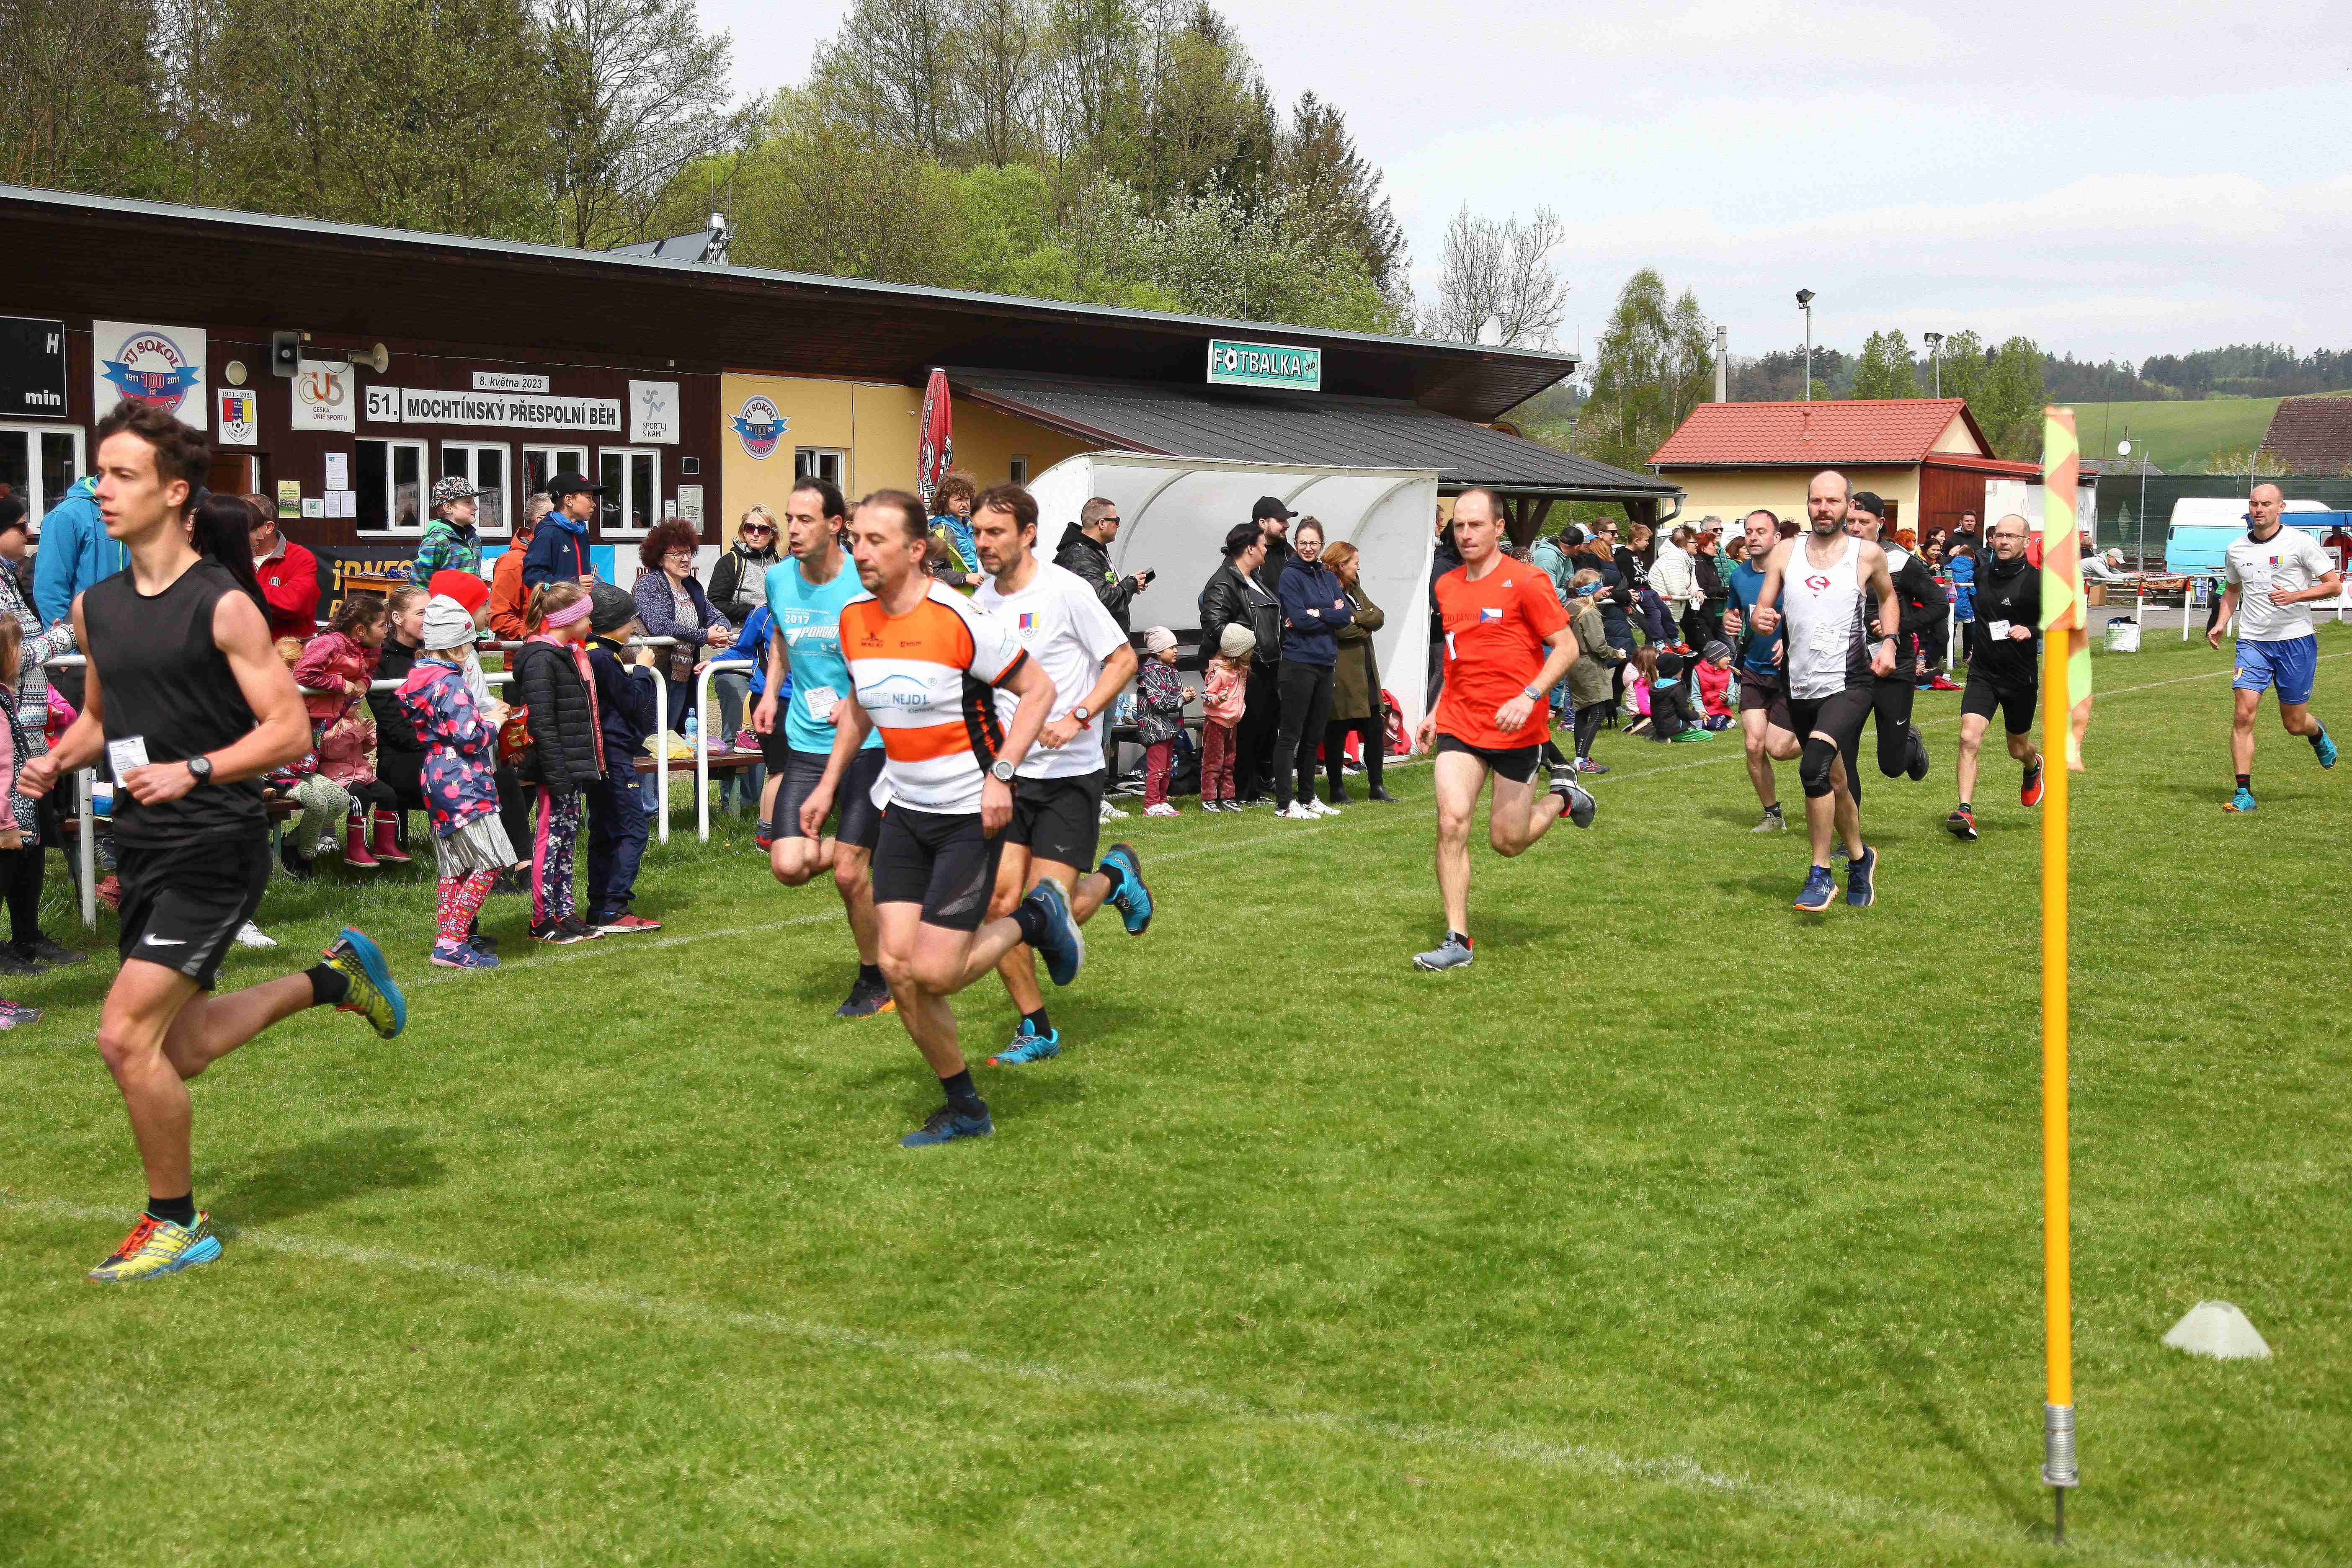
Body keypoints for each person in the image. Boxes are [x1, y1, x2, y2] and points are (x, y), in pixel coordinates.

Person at [21, 401, 404, 1284]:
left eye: (121, 475)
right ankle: (334, 978)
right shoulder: (95, 607)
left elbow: (288, 732)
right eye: (98, 474)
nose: (101, 490)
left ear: (174, 493)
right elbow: (104, 719)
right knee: (181, 1048)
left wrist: (195, 769)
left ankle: (175, 1221)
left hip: (215, 842)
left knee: (124, 1037)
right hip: (143, 842)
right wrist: (54, 759)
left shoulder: (223, 605)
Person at [794, 489, 1083, 1146]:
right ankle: (966, 1108)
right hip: (904, 812)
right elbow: (860, 707)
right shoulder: (854, 619)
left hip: (969, 817)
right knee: (898, 970)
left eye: (876, 541)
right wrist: (829, 786)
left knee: (938, 973)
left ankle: (1038, 917)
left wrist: (1002, 774)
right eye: (856, 540)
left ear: (917, 549)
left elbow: (1038, 690)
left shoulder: (958, 617)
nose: (860, 552)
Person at [969, 483, 1153, 1063]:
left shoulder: (1067, 590)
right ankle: (1037, 1028)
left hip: (1070, 774)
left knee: (1055, 910)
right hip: (1010, 775)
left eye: (995, 532)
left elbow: (1122, 660)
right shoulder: (981, 602)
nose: (983, 543)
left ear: (1028, 534)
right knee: (999, 906)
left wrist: (1078, 716)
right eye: (977, 532)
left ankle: (1114, 879)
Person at [1411, 487, 1594, 971]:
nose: (1466, 534)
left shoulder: (1528, 581)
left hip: (1517, 729)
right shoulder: (1447, 586)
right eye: (1459, 526)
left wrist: (1529, 695)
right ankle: (1457, 940)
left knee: (1507, 842)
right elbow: (1456, 659)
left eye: (1476, 525)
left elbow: (1567, 648)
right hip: (1460, 723)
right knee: (1451, 821)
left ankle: (1563, 797)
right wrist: (1436, 711)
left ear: (1498, 528)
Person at [754, 477, 893, 1019]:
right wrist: (771, 693)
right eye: (789, 518)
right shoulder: (778, 579)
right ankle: (885, 842)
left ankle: (875, 980)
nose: (791, 529)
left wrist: (857, 699)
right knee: (788, 865)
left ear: (836, 526)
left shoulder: (865, 581)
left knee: (849, 875)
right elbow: (781, 639)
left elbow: (889, 652)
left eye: (804, 520)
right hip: (807, 739)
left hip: (869, 742)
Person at [1749, 470, 1901, 912]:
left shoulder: (1867, 554)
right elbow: (1764, 607)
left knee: (1813, 767)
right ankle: (1860, 857)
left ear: (1848, 506)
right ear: (1808, 504)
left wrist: (1889, 642)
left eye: (1833, 501)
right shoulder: (1786, 551)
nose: (1823, 509)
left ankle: (1820, 873)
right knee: (1835, 779)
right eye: (1816, 500)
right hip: (1799, 684)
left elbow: (1889, 598)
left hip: (1850, 682)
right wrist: (1761, 619)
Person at [395, 595, 518, 970]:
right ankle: (451, 942)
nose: (471, 651)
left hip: (436, 774)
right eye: (468, 644)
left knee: (454, 866)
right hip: (463, 779)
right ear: (456, 647)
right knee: (492, 860)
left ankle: (448, 939)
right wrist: (495, 720)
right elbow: (470, 738)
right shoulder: (452, 683)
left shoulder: (421, 678)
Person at [2213, 482, 2342, 812]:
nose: (2259, 510)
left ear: (2281, 508)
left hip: (2295, 641)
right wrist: (2221, 622)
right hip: (2253, 642)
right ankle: (2244, 792)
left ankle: (2316, 733)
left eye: (2267, 504)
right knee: (2243, 714)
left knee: (2294, 724)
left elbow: (2334, 586)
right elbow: (2232, 589)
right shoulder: (2236, 549)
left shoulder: (2300, 543)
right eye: (2254, 504)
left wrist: (2296, 595)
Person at [0, 490, 81, 974]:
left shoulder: (9, 577)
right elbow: (9, 656)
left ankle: (27, 937)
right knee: (8, 841)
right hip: (8, 739)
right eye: (20, 525)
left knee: (29, 842)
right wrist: (66, 635)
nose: (29, 534)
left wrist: (47, 637)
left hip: (27, 732)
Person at [511, 582, 606, 943]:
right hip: (556, 769)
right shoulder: (541, 659)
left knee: (566, 842)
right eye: (586, 616)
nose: (590, 624)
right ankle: (541, 919)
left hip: (570, 767)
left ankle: (564, 911)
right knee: (549, 843)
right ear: (568, 619)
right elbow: (542, 723)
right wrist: (556, 772)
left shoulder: (566, 654)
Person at [1946, 514, 2045, 841]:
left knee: (2017, 749)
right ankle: (1964, 811)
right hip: (1983, 674)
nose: (2003, 541)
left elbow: (2064, 620)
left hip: (2020, 678)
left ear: (2026, 542)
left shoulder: (2037, 582)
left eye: (2011, 536)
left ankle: (2032, 765)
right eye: (1999, 535)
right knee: (1968, 738)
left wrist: (2031, 630)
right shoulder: (1983, 573)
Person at [582, 582, 662, 934]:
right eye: (631, 620)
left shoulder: (595, 651)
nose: (634, 626)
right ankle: (614, 908)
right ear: (614, 623)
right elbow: (631, 703)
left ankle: (599, 906)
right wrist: (642, 670)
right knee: (632, 830)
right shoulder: (602, 656)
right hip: (613, 755)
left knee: (604, 830)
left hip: (602, 753)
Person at [1843, 493, 1934, 792]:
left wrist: (1896, 627)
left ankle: (1911, 741)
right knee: (1844, 754)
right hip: (1849, 668)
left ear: (1880, 522)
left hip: (1895, 664)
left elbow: (1938, 605)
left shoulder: (1900, 560)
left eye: (1864, 522)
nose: (1856, 528)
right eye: (1851, 521)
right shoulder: (1835, 556)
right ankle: (1849, 823)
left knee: (1892, 765)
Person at [1272, 518, 1354, 820]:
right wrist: (1328, 614)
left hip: (1325, 662)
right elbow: (1297, 618)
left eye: (1314, 543)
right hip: (1298, 663)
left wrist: (1318, 612)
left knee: (1313, 736)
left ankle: (1308, 797)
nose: (1308, 548)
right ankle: (1285, 803)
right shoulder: (1290, 576)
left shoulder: (1328, 577)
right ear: (1296, 543)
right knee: (1290, 735)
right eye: (1303, 543)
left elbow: (1346, 616)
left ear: (1322, 544)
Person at [1197, 521, 1283, 806]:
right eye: (1262, 545)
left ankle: (1252, 788)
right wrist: (1245, 648)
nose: (1266, 550)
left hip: (1265, 665)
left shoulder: (1253, 578)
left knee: (1262, 729)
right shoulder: (1224, 582)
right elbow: (1214, 624)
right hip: (1241, 668)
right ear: (1250, 549)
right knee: (1245, 731)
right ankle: (1239, 792)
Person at [629, 518, 735, 734]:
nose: (686, 559)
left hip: (684, 675)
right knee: (652, 738)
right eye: (677, 554)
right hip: (658, 673)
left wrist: (721, 630)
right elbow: (660, 626)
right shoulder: (648, 584)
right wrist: (704, 636)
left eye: (688, 552)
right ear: (660, 559)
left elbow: (716, 616)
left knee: (676, 736)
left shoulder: (691, 587)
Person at [1322, 540, 1393, 804]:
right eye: (1355, 563)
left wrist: (1356, 618)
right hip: (1343, 671)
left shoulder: (1354, 587)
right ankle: (1337, 789)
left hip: (1366, 670)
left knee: (1374, 728)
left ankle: (1377, 785)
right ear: (1341, 565)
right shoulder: (1327, 589)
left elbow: (1379, 616)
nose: (1358, 567)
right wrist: (1363, 624)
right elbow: (1340, 629)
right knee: (1338, 729)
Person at [369, 584, 429, 824]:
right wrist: (434, 744)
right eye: (421, 613)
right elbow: (391, 722)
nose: (428, 619)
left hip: (437, 747)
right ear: (397, 618)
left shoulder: (437, 653)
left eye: (431, 612)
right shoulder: (380, 660)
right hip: (401, 755)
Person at [1054, 495, 1148, 633]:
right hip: (1094, 643)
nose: (1118, 525)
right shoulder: (1080, 556)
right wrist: (1131, 585)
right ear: (1102, 524)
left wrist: (1129, 583)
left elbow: (1103, 588)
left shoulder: (1092, 550)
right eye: (1116, 521)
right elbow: (1103, 601)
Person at [1561, 573, 1619, 774]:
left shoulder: (1570, 607)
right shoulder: (1590, 613)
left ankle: (1581, 757)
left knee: (1583, 712)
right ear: (1592, 589)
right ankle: (1581, 759)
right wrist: (1616, 654)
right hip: (1589, 666)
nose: (1603, 590)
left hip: (1575, 663)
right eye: (1600, 586)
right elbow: (1599, 646)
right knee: (1597, 712)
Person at [246, 500, 322, 640]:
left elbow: (293, 604)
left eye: (247, 525)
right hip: (246, 647)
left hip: (292, 649)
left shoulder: (300, 557)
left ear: (269, 527)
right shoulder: (232, 557)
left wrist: (243, 590)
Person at [1199, 624, 1251, 810]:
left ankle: (1228, 796)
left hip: (1232, 723)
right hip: (1216, 723)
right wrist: (1217, 699)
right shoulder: (1219, 672)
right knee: (1213, 761)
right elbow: (1206, 695)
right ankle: (1209, 798)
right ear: (1239, 653)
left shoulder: (1241, 671)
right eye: (1249, 650)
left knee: (1229, 762)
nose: (1252, 653)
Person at [488, 493, 551, 640]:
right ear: (541, 521)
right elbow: (499, 618)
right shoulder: (513, 562)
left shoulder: (558, 556)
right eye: (558, 517)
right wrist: (542, 636)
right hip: (529, 652)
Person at [708, 504, 781, 625]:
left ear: (772, 534)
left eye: (763, 529)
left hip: (773, 633)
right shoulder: (731, 562)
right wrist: (755, 610)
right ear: (743, 531)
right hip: (742, 632)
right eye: (750, 528)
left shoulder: (779, 564)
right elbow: (715, 604)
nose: (756, 534)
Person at [521, 474, 598, 589]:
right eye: (589, 498)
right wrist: (573, 583)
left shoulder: (582, 533)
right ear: (569, 501)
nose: (594, 504)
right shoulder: (549, 532)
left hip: (581, 599)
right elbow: (532, 575)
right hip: (558, 600)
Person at [409, 477, 485, 584]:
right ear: (448, 508)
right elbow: (420, 583)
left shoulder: (475, 540)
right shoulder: (436, 541)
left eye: (474, 502)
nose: (475, 507)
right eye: (468, 503)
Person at [1648, 524, 1701, 654]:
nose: (1697, 545)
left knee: (1663, 654)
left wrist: (1697, 591)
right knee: (1661, 655)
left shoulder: (1689, 559)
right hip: (1661, 610)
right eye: (1694, 542)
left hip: (1670, 611)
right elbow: (1677, 589)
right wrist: (1691, 594)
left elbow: (1692, 583)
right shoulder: (1674, 558)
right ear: (1683, 544)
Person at [925, 472, 983, 592]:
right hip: (954, 595)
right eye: (959, 500)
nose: (965, 504)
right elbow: (934, 573)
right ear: (945, 502)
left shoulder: (972, 526)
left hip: (977, 594)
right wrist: (965, 578)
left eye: (967, 499)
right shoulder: (939, 532)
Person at [1694, 640, 1736, 729]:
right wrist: (1702, 713)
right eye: (1727, 656)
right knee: (1692, 724)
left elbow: (1733, 699)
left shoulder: (1729, 674)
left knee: (1713, 725)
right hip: (1702, 709)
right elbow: (1696, 696)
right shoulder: (1698, 671)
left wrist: (1727, 699)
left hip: (1720, 711)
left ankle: (1730, 722)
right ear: (1717, 659)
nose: (1730, 659)